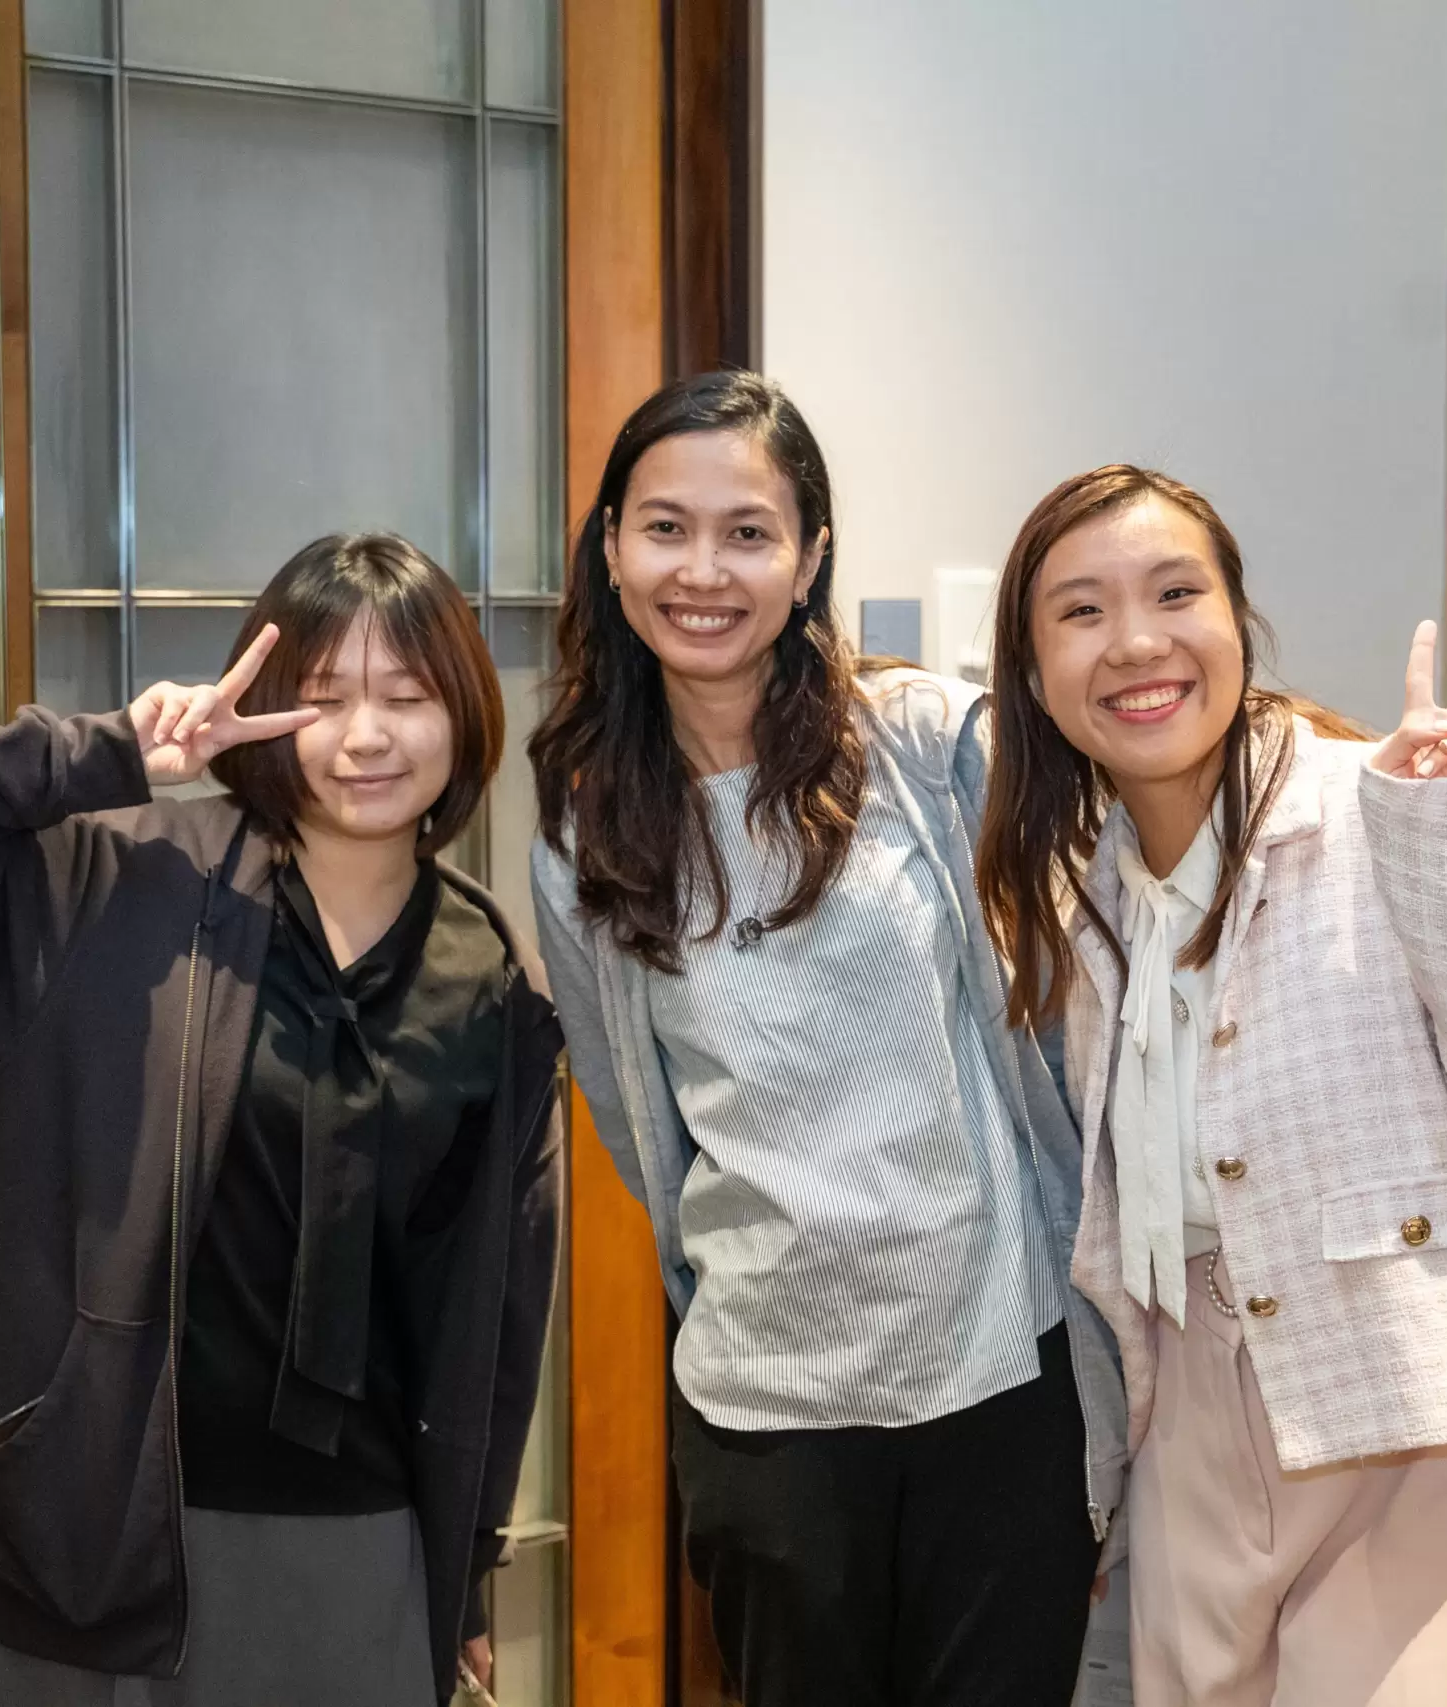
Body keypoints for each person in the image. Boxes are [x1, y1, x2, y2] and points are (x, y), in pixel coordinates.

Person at [0, 534, 565, 1707]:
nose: (365, 736)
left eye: (408, 697)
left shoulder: (490, 974)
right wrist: (106, 753)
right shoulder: (115, 888)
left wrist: (463, 1564)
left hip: (355, 1536)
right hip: (93, 1517)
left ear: (464, 716)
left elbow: (491, 1316)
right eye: (324, 699)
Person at [976, 466, 1447, 1707]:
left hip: (1425, 1411)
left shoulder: (1396, 802)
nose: (1135, 641)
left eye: (1176, 593)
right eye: (1080, 611)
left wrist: (1442, 857)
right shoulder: (1083, 884)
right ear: (1031, 669)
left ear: (1237, 621)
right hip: (1189, 1405)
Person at [527, 371, 1126, 1707]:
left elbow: (1128, 825)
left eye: (749, 532)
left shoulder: (923, 748)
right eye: (665, 528)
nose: (704, 570)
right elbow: (632, 1116)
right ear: (613, 549)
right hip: (768, 1410)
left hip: (997, 1376)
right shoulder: (583, 831)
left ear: (808, 561)